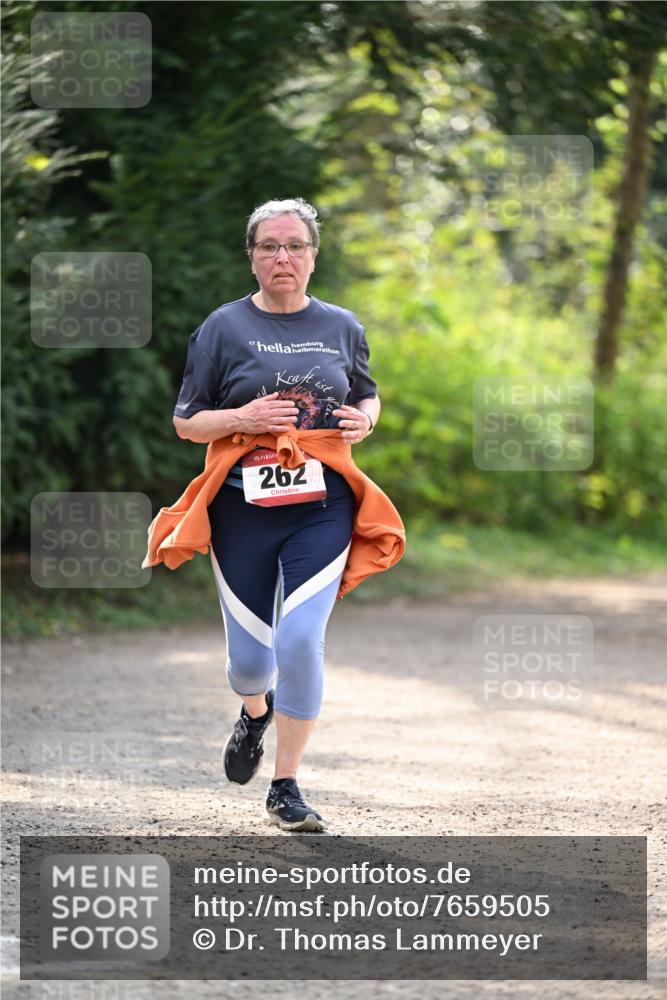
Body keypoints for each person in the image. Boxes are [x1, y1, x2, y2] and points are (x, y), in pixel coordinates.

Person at [170, 197, 389, 833]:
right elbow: (187, 420)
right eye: (270, 246)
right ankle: (254, 712)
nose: (283, 257)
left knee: (299, 639)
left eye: (294, 246)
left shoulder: (342, 325)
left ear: (314, 256)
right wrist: (243, 419)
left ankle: (285, 787)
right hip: (241, 509)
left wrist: (363, 421)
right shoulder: (222, 328)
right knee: (248, 663)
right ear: (253, 257)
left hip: (323, 507)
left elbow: (367, 393)